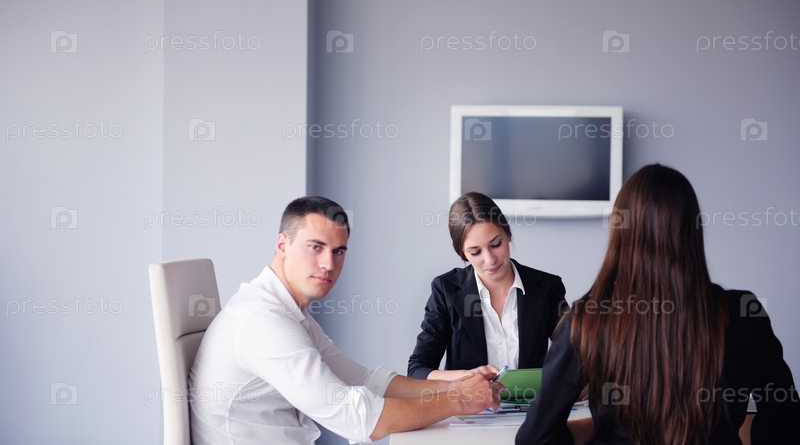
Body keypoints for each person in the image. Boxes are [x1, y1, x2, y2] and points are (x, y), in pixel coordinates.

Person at [515, 163, 800, 444]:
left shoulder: (588, 319)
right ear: (693, 231)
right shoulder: (743, 312)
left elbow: (535, 438)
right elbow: (785, 421)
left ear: (620, 233)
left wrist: (600, 428)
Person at [189, 196, 501, 444]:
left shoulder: (288, 313)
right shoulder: (264, 322)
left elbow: (366, 381)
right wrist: (458, 400)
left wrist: (456, 386)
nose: (328, 263)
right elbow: (358, 419)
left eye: (338, 251)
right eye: (316, 247)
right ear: (282, 245)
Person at [407, 192, 567, 381]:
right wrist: (468, 377)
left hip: (532, 400)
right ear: (463, 254)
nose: (490, 260)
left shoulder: (547, 287)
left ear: (508, 235)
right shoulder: (445, 290)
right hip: (468, 400)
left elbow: (575, 354)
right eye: (475, 252)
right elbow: (417, 370)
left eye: (496, 244)